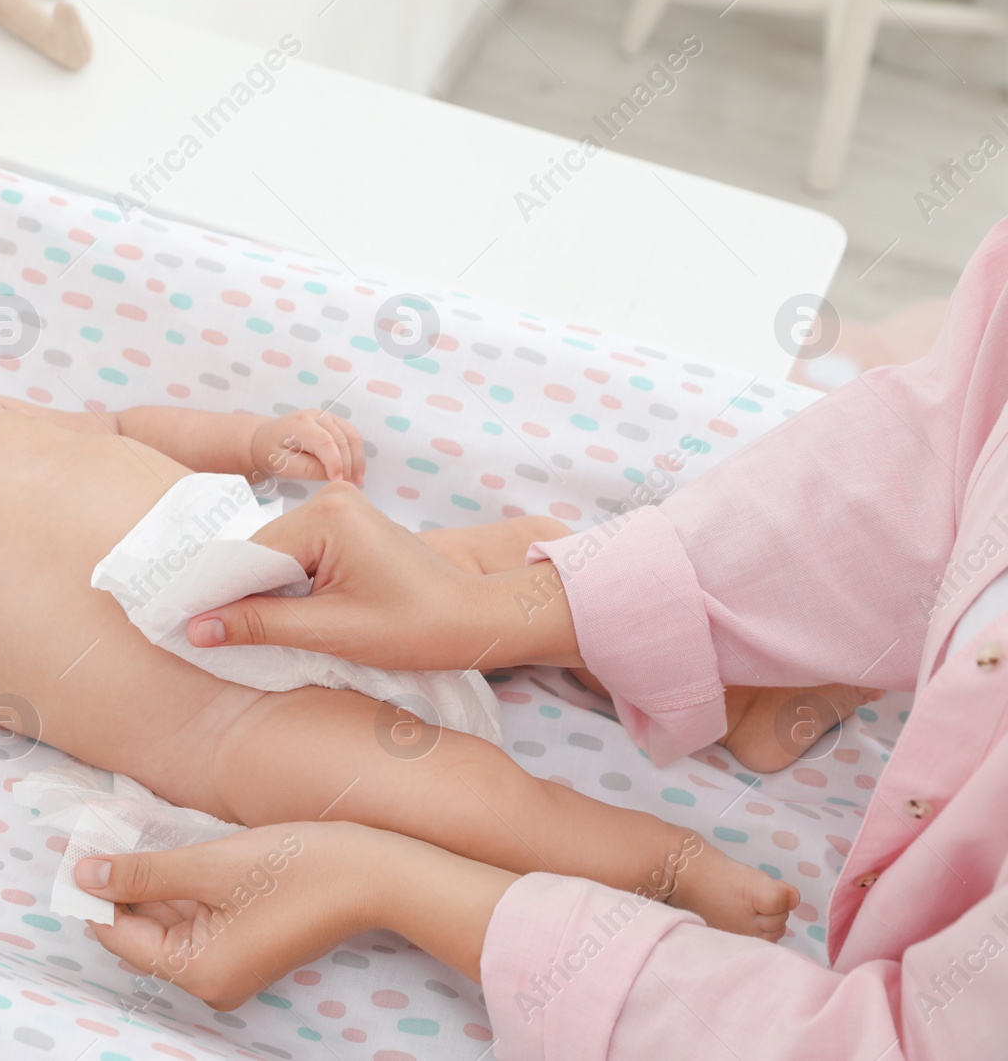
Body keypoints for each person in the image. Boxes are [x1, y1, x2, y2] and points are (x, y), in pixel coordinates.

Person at [0, 275, 805, 937]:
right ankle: (672, 860)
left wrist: (255, 436)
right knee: (460, 792)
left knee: (531, 555)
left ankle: (718, 685)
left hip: (304, 572)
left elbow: (129, 428)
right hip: (230, 727)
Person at [76, 221, 1008, 1057]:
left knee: (470, 712)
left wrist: (251, 440)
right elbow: (950, 441)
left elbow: (120, 429)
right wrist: (487, 612)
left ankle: (669, 850)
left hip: (241, 587)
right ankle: (719, 726)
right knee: (450, 725)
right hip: (211, 717)